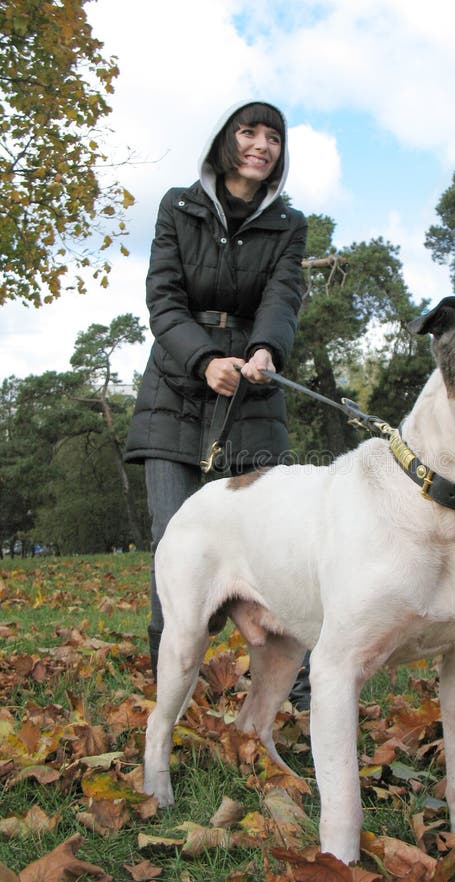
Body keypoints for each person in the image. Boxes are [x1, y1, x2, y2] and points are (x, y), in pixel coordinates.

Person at [124, 100, 310, 707]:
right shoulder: (177, 206)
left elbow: (283, 298)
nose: (261, 145)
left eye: (273, 138)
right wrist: (204, 360)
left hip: (254, 392)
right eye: (248, 132)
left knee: (276, 536)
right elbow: (163, 299)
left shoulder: (288, 223)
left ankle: (301, 685)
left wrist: (265, 352)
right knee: (174, 539)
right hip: (177, 388)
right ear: (226, 141)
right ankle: (170, 683)